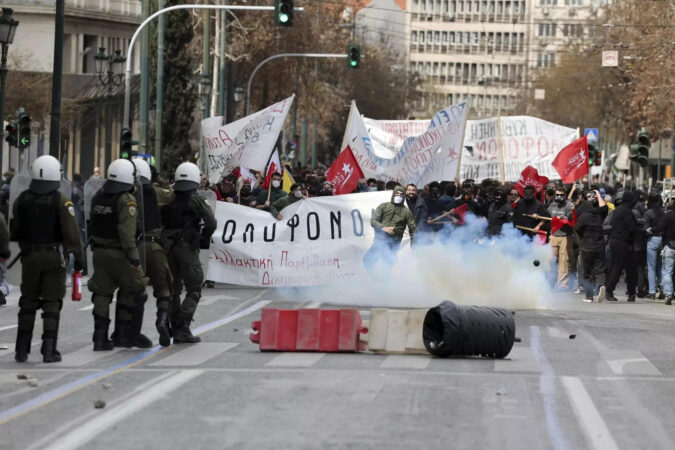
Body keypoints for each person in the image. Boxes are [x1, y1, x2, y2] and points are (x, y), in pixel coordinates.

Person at [12, 155, 83, 362]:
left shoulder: (22, 199)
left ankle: (21, 349)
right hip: (53, 256)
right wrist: (78, 258)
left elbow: (15, 230)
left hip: (30, 256)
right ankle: (49, 349)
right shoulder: (61, 200)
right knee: (52, 302)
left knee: (28, 301)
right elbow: (72, 233)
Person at [87, 159, 147, 351]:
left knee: (102, 294)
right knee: (135, 289)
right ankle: (124, 335)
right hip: (119, 254)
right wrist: (134, 257)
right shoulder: (126, 200)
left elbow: (91, 223)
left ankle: (99, 338)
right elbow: (127, 233)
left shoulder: (99, 196)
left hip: (99, 252)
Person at [162, 163, 217, 343]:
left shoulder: (167, 194)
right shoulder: (196, 198)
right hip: (187, 246)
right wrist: (203, 238)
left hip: (166, 246)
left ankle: (171, 324)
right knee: (194, 286)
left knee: (174, 288)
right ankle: (182, 326)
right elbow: (211, 221)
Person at [133, 158, 175, 347]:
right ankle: (162, 320)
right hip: (154, 245)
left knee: (133, 291)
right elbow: (171, 195)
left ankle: (128, 331)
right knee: (164, 288)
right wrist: (160, 179)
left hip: (134, 248)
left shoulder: (126, 193)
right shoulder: (155, 192)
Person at [363, 186, 417, 275]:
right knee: (367, 261)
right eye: (397, 193)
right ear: (393, 194)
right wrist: (383, 227)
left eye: (401, 194)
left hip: (393, 244)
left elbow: (413, 229)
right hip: (380, 241)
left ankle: (385, 284)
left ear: (404, 197)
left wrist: (414, 245)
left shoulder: (406, 212)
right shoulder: (383, 206)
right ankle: (375, 279)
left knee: (386, 267)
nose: (399, 196)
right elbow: (373, 221)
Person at [574, 190, 608, 302]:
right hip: (600, 246)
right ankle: (601, 285)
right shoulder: (600, 214)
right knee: (600, 270)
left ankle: (589, 296)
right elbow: (604, 207)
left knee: (586, 272)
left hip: (587, 248)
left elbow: (577, 229)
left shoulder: (583, 216)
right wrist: (598, 194)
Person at [605, 191, 638, 302]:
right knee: (627, 269)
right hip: (623, 242)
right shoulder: (627, 212)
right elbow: (631, 228)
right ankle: (613, 291)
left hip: (615, 241)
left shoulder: (616, 210)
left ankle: (610, 290)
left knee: (616, 267)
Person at [547, 187, 576, 290]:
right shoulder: (552, 205)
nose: (559, 197)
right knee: (550, 260)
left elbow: (572, 219)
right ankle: (549, 282)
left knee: (564, 261)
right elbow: (546, 215)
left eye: (561, 195)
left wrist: (563, 218)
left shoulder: (569, 205)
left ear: (565, 195)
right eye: (557, 194)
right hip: (554, 236)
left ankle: (563, 284)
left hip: (565, 237)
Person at [644, 191, 665, 299]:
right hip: (663, 241)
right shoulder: (664, 211)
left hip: (652, 240)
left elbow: (645, 230)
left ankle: (652, 291)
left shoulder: (648, 213)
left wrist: (651, 231)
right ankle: (662, 288)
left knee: (651, 267)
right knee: (661, 266)